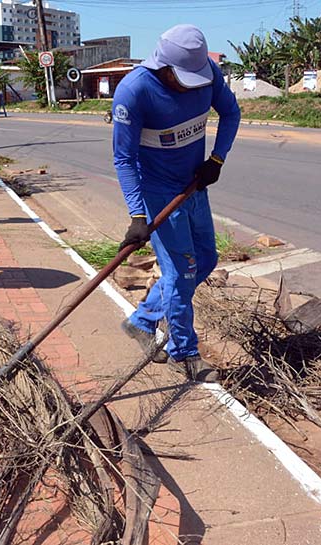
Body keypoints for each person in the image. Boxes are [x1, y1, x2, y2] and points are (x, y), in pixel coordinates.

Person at [113, 24, 240, 383]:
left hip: (195, 185)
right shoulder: (134, 92)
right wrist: (138, 214)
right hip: (158, 194)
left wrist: (216, 159)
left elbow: (231, 114)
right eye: (182, 77)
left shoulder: (208, 73)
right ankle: (184, 353)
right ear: (164, 67)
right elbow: (123, 159)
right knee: (181, 273)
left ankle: (142, 321)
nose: (191, 84)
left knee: (207, 259)